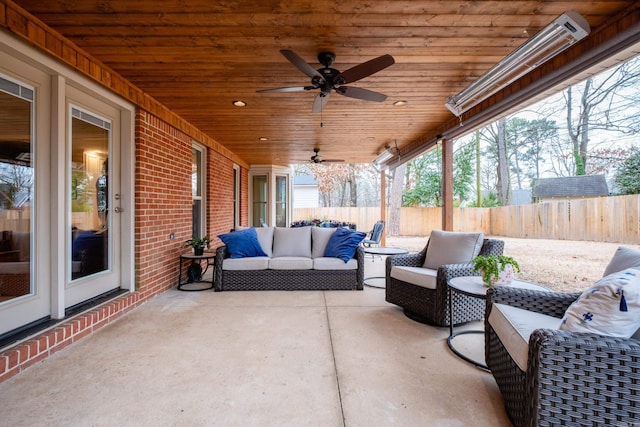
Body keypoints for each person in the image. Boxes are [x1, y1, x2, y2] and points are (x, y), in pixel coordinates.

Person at [96, 159, 108, 229]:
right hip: (105, 210)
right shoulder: (102, 180)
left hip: (104, 210)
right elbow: (100, 197)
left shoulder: (101, 180)